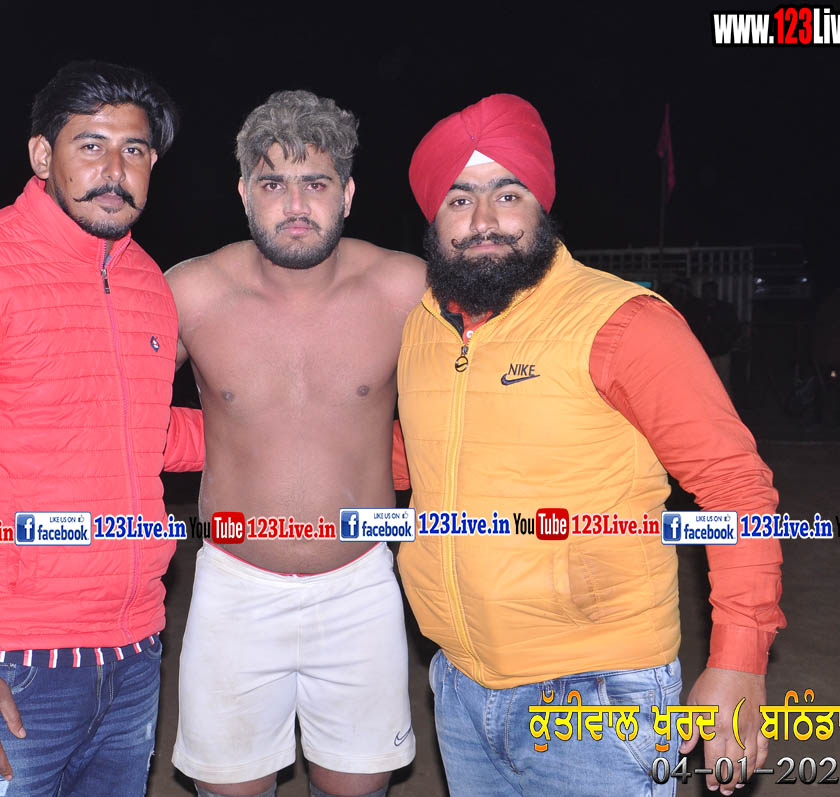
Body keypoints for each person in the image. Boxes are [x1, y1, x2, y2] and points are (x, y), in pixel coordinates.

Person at [396, 94, 786, 797]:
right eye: (458, 199)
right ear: (434, 219)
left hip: (598, 696)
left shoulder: (623, 322)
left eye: (506, 194)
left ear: (541, 205)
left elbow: (735, 487)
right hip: (458, 686)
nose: (483, 221)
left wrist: (739, 659)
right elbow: (413, 456)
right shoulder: (420, 327)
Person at [0, 61, 202, 797]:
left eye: (135, 150)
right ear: (43, 155)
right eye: (91, 145)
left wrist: (297, 435)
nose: (114, 171)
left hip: (135, 653)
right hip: (11, 661)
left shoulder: (149, 284)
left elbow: (142, 431)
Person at [166, 90, 426, 797]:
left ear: (347, 193)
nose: (295, 204)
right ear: (243, 193)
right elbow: (113, 415)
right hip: (234, 587)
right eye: (273, 184)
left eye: (315, 183)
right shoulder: (191, 292)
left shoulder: (406, 287)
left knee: (358, 789)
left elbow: (480, 403)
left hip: (361, 585)